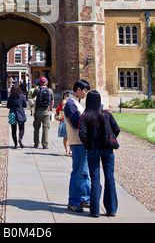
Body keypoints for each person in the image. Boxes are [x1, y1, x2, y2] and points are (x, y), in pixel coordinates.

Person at [79, 90, 120, 218]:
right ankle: (111, 209)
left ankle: (95, 211)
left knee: (95, 179)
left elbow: (82, 135)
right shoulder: (107, 114)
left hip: (93, 150)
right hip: (107, 149)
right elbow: (116, 129)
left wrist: (88, 144)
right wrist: (109, 139)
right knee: (110, 178)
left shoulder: (86, 116)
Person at [64, 79, 91, 212]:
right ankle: (73, 201)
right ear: (78, 89)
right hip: (77, 142)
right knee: (78, 173)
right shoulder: (70, 103)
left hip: (83, 142)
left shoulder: (76, 103)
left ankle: (85, 198)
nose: (86, 93)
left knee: (85, 173)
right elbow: (76, 122)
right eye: (85, 91)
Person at [32, 77, 54, 149]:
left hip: (38, 111)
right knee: (45, 128)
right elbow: (52, 101)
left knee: (36, 127)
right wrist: (51, 108)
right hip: (46, 111)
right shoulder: (50, 90)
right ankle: (45, 144)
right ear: (46, 82)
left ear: (40, 82)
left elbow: (32, 96)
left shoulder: (37, 89)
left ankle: (36, 143)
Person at [56, 90, 71, 156]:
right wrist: (61, 105)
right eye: (65, 96)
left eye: (67, 96)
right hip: (64, 120)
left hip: (70, 121)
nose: (66, 98)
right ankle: (67, 150)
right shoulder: (62, 103)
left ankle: (70, 151)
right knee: (65, 137)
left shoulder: (71, 103)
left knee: (71, 137)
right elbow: (57, 110)